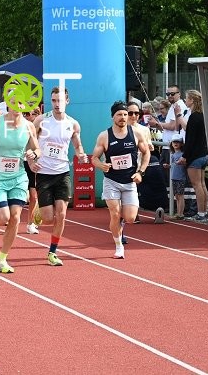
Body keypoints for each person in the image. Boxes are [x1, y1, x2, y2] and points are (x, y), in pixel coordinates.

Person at [0, 96, 40, 273]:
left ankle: (2, 258)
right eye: (13, 102)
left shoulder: (28, 125)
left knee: (16, 217)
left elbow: (36, 147)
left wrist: (34, 155)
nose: (17, 106)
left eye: (20, 102)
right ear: (7, 105)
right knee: (3, 217)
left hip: (18, 176)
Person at [31, 87, 88, 266]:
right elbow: (29, 141)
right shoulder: (41, 120)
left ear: (67, 102)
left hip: (62, 172)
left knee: (62, 214)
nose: (57, 104)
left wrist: (81, 154)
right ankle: (39, 209)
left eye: (60, 101)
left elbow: (77, 145)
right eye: (54, 101)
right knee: (48, 218)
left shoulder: (73, 124)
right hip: (44, 173)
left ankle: (52, 252)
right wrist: (31, 161)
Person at [90, 102, 150, 259]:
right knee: (114, 214)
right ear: (113, 117)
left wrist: (141, 172)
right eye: (120, 115)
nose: (123, 117)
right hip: (112, 181)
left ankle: (121, 221)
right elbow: (94, 158)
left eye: (126, 114)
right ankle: (119, 246)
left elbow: (146, 153)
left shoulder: (136, 134)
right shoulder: (105, 136)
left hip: (130, 181)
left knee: (130, 218)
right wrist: (101, 165)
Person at [177, 90, 208, 223]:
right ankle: (204, 212)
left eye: (186, 98)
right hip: (203, 154)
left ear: (192, 100)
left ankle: (201, 213)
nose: (185, 100)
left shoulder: (194, 116)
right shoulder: (202, 115)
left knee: (197, 185)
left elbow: (190, 140)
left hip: (195, 156)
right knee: (202, 184)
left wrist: (185, 156)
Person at [167, 135, 187, 219]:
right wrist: (168, 166)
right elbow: (172, 165)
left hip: (180, 177)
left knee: (180, 195)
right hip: (174, 177)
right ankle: (179, 213)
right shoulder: (173, 154)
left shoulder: (182, 154)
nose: (175, 143)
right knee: (177, 196)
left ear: (181, 144)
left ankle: (180, 213)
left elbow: (185, 163)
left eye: (177, 142)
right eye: (174, 142)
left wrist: (182, 163)